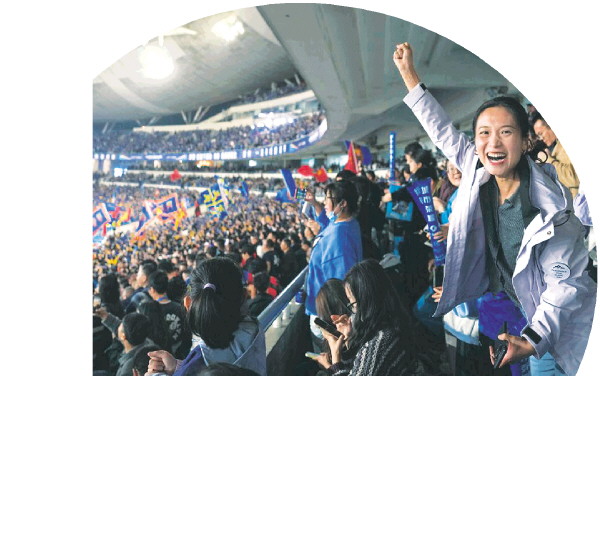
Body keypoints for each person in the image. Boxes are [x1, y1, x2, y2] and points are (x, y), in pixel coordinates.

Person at [392, 41, 596, 375]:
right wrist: (409, 76)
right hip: (520, 316)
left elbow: (565, 285)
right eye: (484, 133)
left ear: (526, 140)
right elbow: (442, 131)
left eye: (506, 132)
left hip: (560, 330)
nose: (494, 142)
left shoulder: (550, 209)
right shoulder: (479, 171)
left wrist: (532, 340)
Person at [145, 257, 267, 376]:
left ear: (188, 304)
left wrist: (155, 376)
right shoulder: (253, 327)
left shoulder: (201, 358)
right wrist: (179, 366)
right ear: (244, 296)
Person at [318, 259, 418, 376]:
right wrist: (347, 341)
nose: (353, 312)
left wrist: (335, 357)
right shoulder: (387, 325)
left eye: (353, 304)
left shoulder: (382, 340)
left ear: (366, 302)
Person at [304, 181, 363, 348]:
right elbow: (328, 224)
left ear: (342, 203)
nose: (324, 202)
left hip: (327, 316)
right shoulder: (346, 223)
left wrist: (334, 326)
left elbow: (340, 287)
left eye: (327, 198)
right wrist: (314, 204)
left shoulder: (339, 240)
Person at [531, 113, 580, 199]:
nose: (541, 138)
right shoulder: (555, 146)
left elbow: (574, 179)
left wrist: (549, 160)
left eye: (541, 133)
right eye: (538, 136)